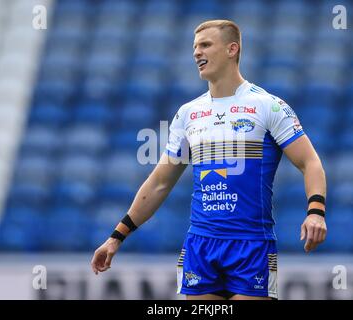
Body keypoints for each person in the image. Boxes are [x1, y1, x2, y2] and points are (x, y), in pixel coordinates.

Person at [91, 20, 327, 300]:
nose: (196, 53)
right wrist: (116, 237)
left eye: (205, 45)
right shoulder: (189, 113)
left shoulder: (267, 106)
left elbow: (309, 162)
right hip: (201, 245)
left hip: (251, 245)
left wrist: (316, 211)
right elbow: (159, 184)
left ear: (232, 49)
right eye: (194, 47)